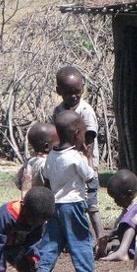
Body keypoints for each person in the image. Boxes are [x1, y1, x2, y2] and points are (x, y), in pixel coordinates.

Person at [35, 110, 103, 272]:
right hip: (73, 204)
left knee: (52, 240)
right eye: (83, 132)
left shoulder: (51, 155)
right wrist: (87, 157)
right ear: (76, 134)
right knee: (81, 239)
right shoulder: (75, 157)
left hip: (55, 205)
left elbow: (47, 175)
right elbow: (89, 176)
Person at [53, 65, 104, 241]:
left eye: (77, 91)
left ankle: (100, 237)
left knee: (91, 203)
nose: (73, 96)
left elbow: (89, 140)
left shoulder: (85, 111)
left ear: (82, 88)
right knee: (70, 201)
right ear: (58, 90)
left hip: (85, 163)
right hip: (67, 165)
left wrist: (89, 165)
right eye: (68, 92)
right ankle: (73, 237)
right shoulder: (59, 111)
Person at [100, 169, 137, 262]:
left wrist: (113, 233)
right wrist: (110, 235)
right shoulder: (128, 206)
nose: (115, 202)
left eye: (117, 198)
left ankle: (121, 251)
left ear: (129, 194)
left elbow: (131, 223)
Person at [15, 121, 57, 196]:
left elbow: (18, 182)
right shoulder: (48, 163)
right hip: (45, 202)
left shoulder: (29, 162)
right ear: (47, 147)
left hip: (29, 201)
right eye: (58, 143)